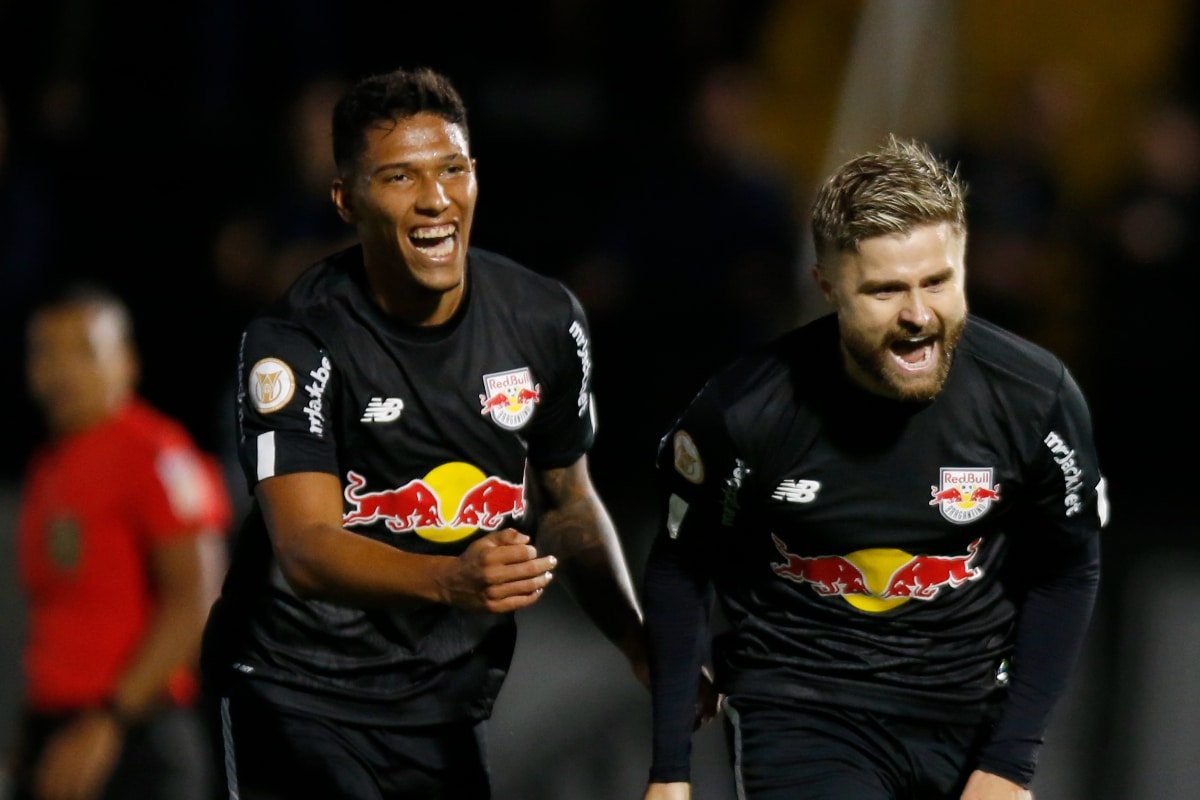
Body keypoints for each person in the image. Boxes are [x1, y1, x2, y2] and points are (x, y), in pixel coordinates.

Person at [198, 65, 654, 799]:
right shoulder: (295, 340)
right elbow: (307, 548)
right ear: (346, 200)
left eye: (452, 170)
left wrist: (638, 640)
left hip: (443, 705)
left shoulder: (543, 319)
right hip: (296, 691)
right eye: (400, 178)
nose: (435, 199)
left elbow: (568, 499)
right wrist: (449, 578)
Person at [641, 135, 1105, 800]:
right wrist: (670, 772)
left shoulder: (1036, 398)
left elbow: (1069, 566)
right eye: (886, 290)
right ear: (828, 286)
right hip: (804, 711)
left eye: (937, 282)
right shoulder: (745, 411)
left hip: (968, 718)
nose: (918, 315)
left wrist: (1009, 762)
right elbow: (682, 567)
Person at [12, 284, 231, 800]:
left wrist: (108, 721)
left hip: (135, 733)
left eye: (83, 351)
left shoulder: (157, 453)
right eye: (45, 353)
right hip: (56, 729)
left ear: (126, 361)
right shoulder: (49, 467)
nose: (60, 370)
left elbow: (197, 603)